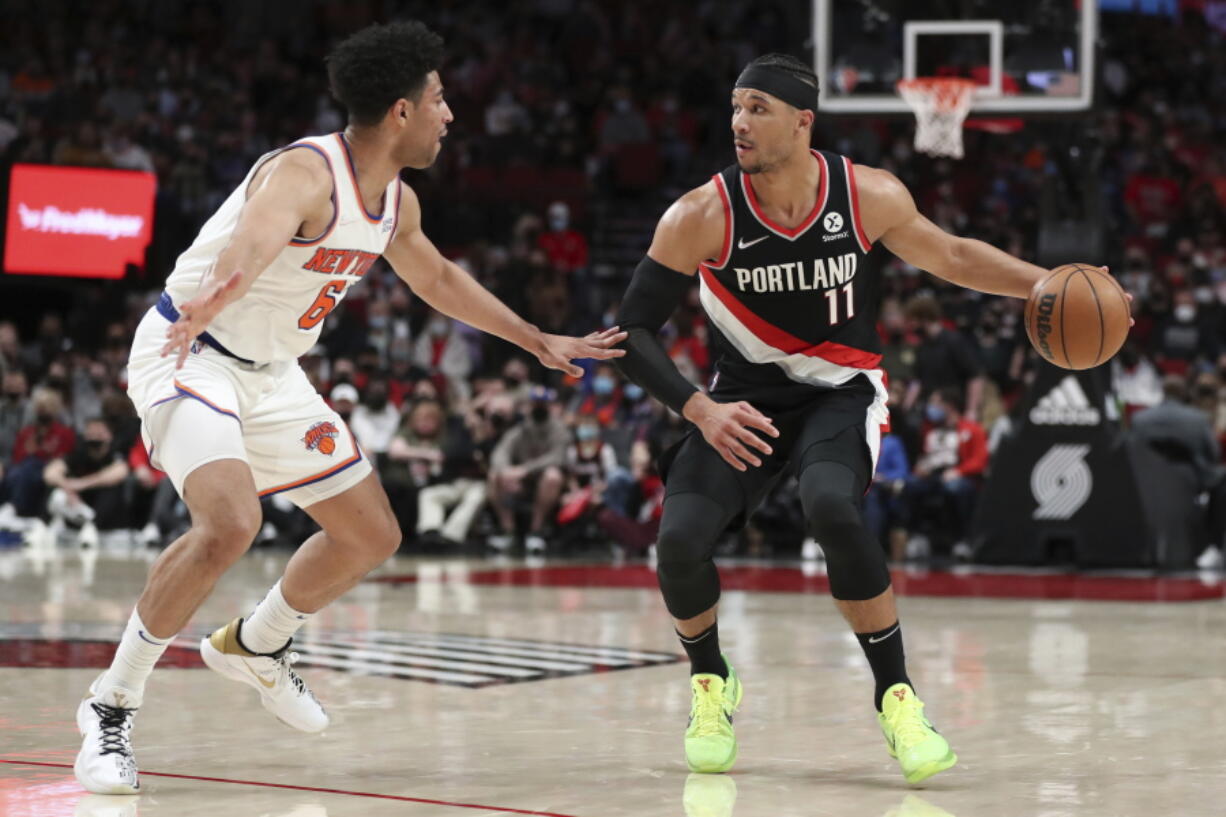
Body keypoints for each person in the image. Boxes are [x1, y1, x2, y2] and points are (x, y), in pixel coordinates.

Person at [75, 20, 626, 795]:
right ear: (400, 111)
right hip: (188, 349)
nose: (449, 114)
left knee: (372, 532)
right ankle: (109, 705)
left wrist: (534, 339)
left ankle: (258, 643)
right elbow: (253, 244)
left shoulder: (395, 204)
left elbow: (435, 280)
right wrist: (214, 299)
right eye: (438, 98)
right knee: (231, 522)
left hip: (272, 373)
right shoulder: (305, 172)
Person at [611, 52, 1103, 784]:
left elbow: (955, 256)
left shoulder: (865, 195)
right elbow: (631, 332)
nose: (739, 122)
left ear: (802, 122)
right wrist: (699, 408)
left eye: (759, 109)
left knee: (832, 507)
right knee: (677, 542)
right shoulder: (700, 214)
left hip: (841, 390)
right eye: (737, 106)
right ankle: (710, 681)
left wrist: (1052, 284)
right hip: (740, 400)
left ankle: (897, 696)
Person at [486, 385, 570, 554]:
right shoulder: (522, 428)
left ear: (549, 405)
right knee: (495, 474)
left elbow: (558, 457)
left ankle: (536, 530)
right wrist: (507, 471)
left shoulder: (559, 429)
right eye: (535, 403)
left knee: (552, 476)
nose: (538, 407)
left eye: (542, 403)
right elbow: (500, 452)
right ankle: (507, 530)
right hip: (521, 482)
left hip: (546, 482)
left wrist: (525, 469)